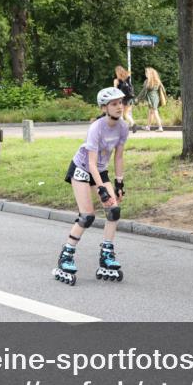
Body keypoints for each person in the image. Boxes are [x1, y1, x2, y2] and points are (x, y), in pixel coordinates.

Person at [52, 87, 130, 285]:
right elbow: (91, 163)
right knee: (87, 216)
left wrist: (119, 182)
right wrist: (102, 190)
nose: (119, 107)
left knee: (113, 210)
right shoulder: (96, 128)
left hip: (99, 170)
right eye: (114, 104)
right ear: (104, 108)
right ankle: (66, 256)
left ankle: (106, 255)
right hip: (82, 168)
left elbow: (119, 157)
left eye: (120, 103)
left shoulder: (123, 127)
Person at [136, 66, 166, 132]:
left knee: (155, 112)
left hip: (152, 99)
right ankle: (148, 127)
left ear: (150, 73)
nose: (145, 74)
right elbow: (163, 90)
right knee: (151, 112)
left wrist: (138, 98)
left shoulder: (148, 81)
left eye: (146, 73)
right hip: (156, 98)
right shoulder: (157, 81)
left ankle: (160, 127)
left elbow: (143, 91)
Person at [114, 65, 136, 132]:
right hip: (129, 98)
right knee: (126, 114)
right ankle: (133, 123)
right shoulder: (128, 77)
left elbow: (115, 90)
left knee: (120, 114)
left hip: (122, 99)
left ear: (117, 72)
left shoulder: (117, 80)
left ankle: (122, 128)